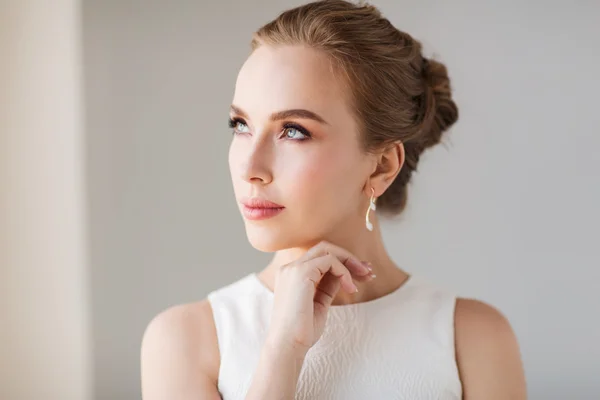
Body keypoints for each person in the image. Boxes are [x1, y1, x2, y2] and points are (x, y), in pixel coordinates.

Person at [141, 1, 527, 399]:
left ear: (380, 166)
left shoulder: (474, 340)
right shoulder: (186, 341)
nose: (249, 167)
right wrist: (283, 351)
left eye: (293, 131)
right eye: (240, 125)